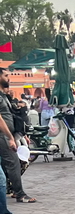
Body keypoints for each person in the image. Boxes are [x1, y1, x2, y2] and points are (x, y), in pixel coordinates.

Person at [0, 69, 35, 203]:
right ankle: (19, 193)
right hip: (3, 135)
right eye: (6, 76)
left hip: (7, 134)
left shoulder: (3, 96)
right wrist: (9, 137)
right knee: (13, 162)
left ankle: (11, 189)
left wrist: (19, 134)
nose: (9, 78)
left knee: (5, 164)